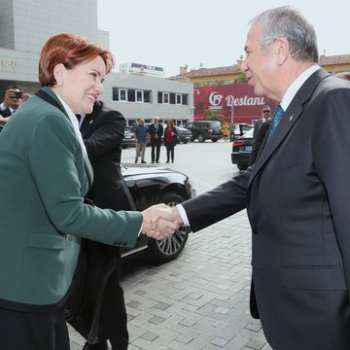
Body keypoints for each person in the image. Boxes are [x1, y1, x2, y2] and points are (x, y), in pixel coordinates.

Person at [170, 6, 350, 349]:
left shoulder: (334, 101)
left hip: (323, 323)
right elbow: (252, 180)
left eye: (248, 52)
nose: (243, 65)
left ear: (279, 50)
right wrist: (180, 214)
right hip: (292, 318)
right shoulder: (291, 111)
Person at [0, 33, 178, 350]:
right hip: (28, 285)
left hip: (29, 282)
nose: (100, 87)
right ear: (59, 72)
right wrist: (141, 220)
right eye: (93, 75)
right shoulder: (46, 120)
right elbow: (68, 212)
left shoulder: (46, 115)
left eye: (103, 78)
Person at [66, 100, 135, 350]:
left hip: (107, 213)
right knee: (85, 283)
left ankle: (117, 342)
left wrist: (48, 137)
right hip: (79, 214)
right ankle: (95, 338)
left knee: (106, 283)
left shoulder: (112, 117)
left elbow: (90, 149)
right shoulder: (66, 116)